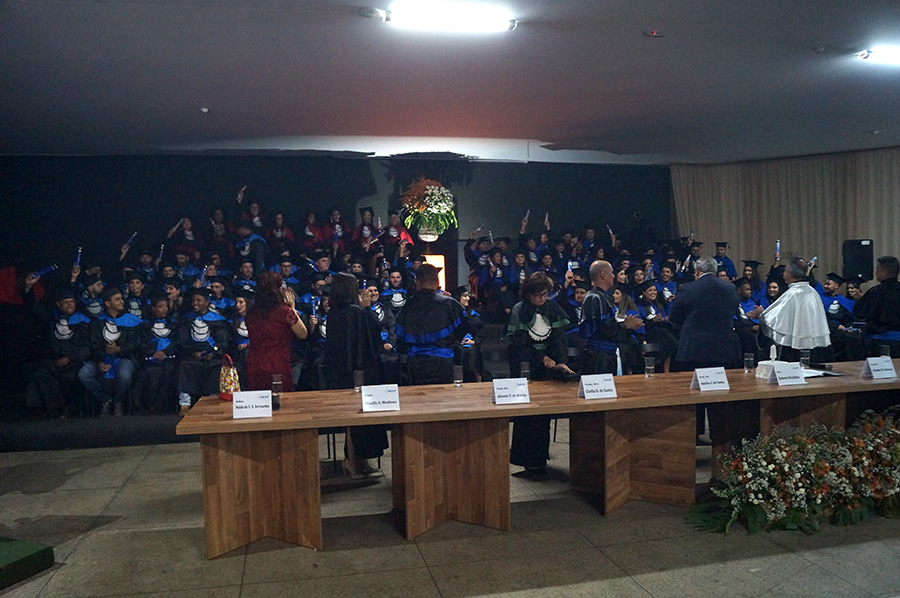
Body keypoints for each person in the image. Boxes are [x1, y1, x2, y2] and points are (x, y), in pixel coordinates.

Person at [506, 272, 575, 474]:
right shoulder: (519, 310)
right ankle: (525, 459)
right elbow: (519, 343)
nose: (542, 299)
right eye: (537, 295)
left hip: (547, 367)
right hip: (525, 365)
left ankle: (540, 458)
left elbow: (559, 338)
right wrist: (540, 358)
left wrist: (560, 361)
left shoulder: (552, 308)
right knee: (527, 414)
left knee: (543, 413)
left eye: (545, 294)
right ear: (528, 294)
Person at [323, 272, 389, 477]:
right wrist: (368, 308)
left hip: (341, 371)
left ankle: (358, 458)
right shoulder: (357, 312)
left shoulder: (333, 312)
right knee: (358, 418)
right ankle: (353, 459)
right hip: (360, 372)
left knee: (353, 419)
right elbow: (373, 340)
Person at [395, 263, 468, 385]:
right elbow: (465, 327)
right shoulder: (450, 304)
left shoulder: (409, 305)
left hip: (415, 362)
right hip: (443, 361)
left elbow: (400, 335)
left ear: (417, 282)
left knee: (417, 395)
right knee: (443, 395)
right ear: (437, 281)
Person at [78, 286, 143, 416]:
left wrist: (119, 349)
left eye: (121, 299)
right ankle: (105, 400)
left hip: (125, 357)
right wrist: (99, 361)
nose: (122, 302)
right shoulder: (98, 322)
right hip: (102, 358)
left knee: (125, 376)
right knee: (84, 374)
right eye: (117, 299)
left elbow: (136, 343)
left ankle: (118, 401)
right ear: (108, 303)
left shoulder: (132, 320)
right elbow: (93, 345)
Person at [244, 271, 308, 392]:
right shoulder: (285, 312)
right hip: (278, 364)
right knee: (280, 399)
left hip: (255, 364)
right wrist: (292, 307)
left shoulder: (251, 312)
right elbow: (303, 333)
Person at [759, 256, 831, 362]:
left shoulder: (792, 294)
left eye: (785, 271)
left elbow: (774, 320)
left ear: (790, 274)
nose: (783, 274)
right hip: (814, 347)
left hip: (793, 348)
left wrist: (761, 314)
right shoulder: (813, 292)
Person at [580, 260, 642, 375]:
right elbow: (604, 329)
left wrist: (629, 327)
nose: (613, 276)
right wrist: (625, 325)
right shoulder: (594, 297)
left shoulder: (603, 297)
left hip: (607, 354)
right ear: (603, 275)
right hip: (599, 357)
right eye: (611, 273)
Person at [176, 287, 230, 415]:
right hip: (192, 355)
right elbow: (182, 341)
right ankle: (185, 404)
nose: (195, 303)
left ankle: (212, 402)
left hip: (212, 356)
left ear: (207, 302)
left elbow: (222, 342)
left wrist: (213, 353)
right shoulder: (186, 319)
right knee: (184, 365)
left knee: (217, 367)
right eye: (193, 301)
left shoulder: (218, 320)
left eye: (199, 300)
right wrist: (193, 353)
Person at [853, 255, 900, 357]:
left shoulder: (875, 292)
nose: (876, 272)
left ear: (884, 272)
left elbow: (861, 313)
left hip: (879, 340)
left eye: (877, 269)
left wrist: (860, 300)